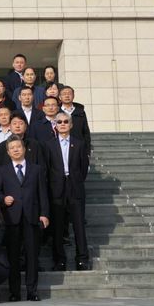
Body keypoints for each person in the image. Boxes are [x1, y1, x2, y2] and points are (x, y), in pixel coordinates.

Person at [0, 136, 49, 302]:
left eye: (18, 147)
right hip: (12, 218)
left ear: (24, 149)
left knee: (32, 256)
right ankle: (14, 292)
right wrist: (3, 199)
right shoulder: (2, 171)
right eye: (12, 148)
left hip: (32, 217)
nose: (16, 150)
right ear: (8, 152)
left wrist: (44, 213)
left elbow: (43, 193)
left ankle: (32, 291)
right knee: (13, 256)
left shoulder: (36, 169)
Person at [43, 113, 90, 272]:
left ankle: (82, 259)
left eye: (65, 121)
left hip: (75, 187)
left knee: (79, 225)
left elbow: (83, 168)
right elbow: (47, 168)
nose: (62, 124)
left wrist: (75, 180)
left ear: (71, 125)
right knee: (57, 226)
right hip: (56, 189)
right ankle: (59, 260)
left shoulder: (79, 144)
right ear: (55, 125)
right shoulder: (48, 145)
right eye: (59, 122)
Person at [59, 86, 92, 154]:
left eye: (69, 93)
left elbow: (85, 132)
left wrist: (87, 150)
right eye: (64, 94)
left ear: (73, 96)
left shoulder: (80, 112)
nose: (67, 96)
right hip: (60, 147)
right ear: (60, 97)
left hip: (78, 147)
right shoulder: (57, 112)